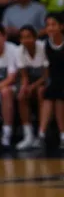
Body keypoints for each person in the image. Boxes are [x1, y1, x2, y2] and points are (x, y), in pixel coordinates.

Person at [15, 26, 48, 150]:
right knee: (21, 95)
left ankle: (41, 133)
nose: (26, 40)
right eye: (23, 37)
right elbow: (24, 76)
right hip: (30, 81)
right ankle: (28, 135)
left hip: (44, 81)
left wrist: (32, 86)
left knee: (41, 92)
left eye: (28, 37)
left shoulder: (43, 47)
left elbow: (46, 75)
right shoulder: (19, 51)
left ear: (35, 37)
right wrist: (25, 87)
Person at [36, 13, 64, 149]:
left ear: (61, 26)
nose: (50, 28)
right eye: (47, 25)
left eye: (53, 25)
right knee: (50, 93)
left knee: (58, 96)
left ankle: (61, 134)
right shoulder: (44, 45)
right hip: (54, 80)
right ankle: (41, 135)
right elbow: (46, 71)